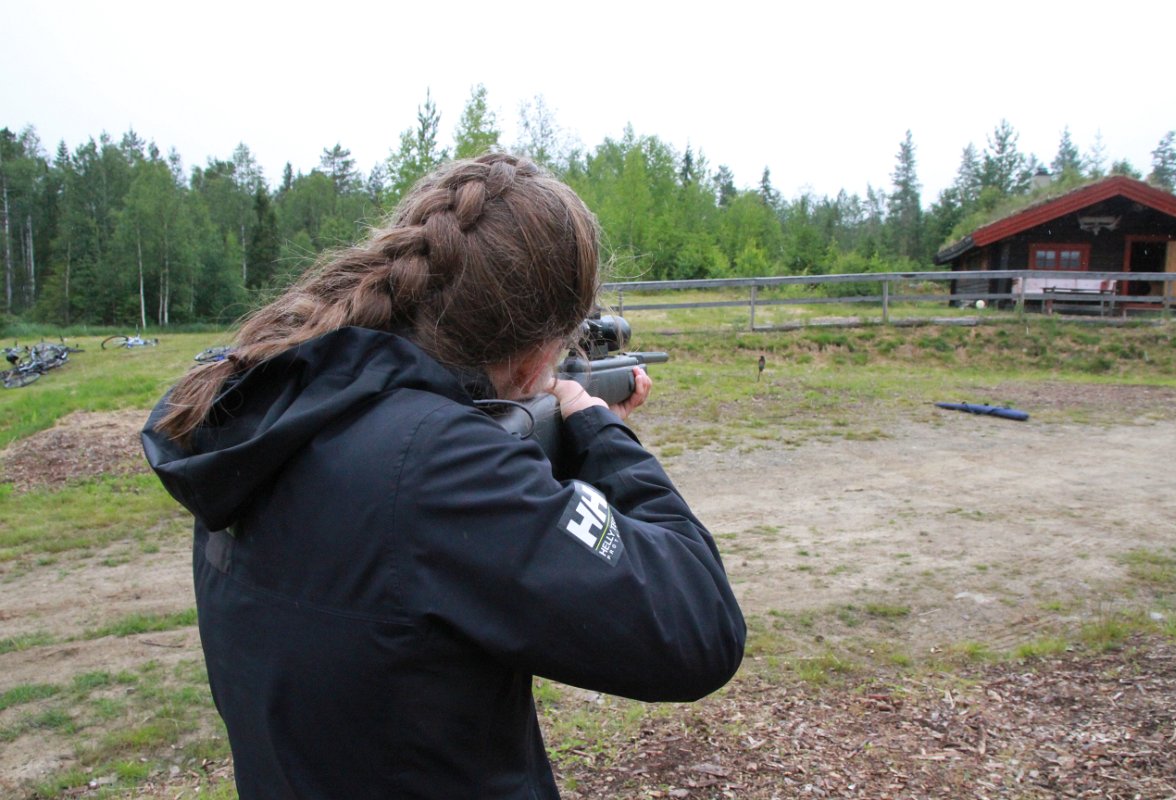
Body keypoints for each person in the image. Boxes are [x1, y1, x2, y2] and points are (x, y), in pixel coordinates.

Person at [142, 152, 745, 799]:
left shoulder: (272, 414)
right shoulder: (438, 467)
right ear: (540, 350)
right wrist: (600, 433)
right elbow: (700, 622)